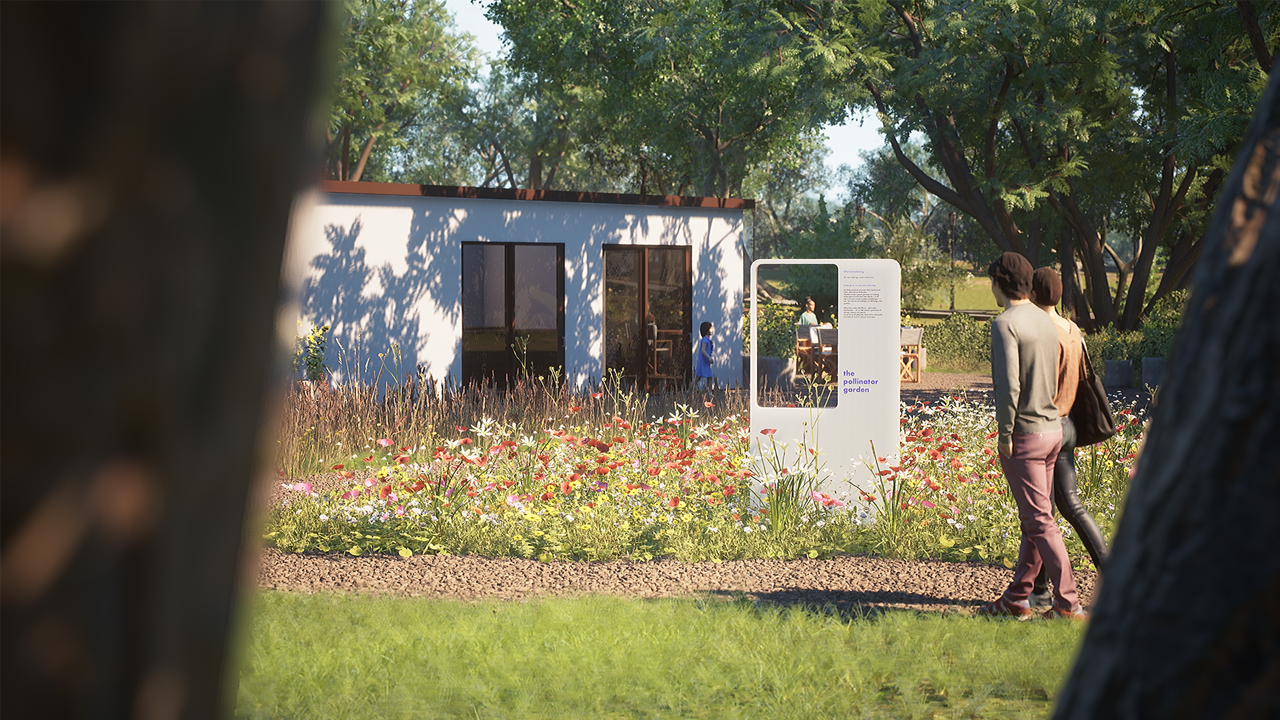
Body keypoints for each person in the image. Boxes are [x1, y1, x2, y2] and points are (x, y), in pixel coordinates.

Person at [976, 252, 1086, 620]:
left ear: (999, 282)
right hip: (1054, 429)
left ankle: (1068, 603)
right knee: (1036, 519)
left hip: (1024, 434)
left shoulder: (1005, 323)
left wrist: (1004, 433)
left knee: (1039, 521)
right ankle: (1017, 599)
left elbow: (1009, 386)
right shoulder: (1045, 320)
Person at [1027, 267, 1109, 608]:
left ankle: (1044, 592)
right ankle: (1041, 590)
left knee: (1049, 510)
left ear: (1033, 294)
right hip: (1069, 425)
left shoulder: (1041, 332)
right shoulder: (1073, 329)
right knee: (1062, 507)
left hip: (1046, 427)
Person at [694, 321, 714, 389]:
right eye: (711, 328)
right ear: (707, 329)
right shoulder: (705, 339)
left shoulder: (706, 339)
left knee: (706, 377)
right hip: (703, 362)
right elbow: (703, 350)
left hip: (705, 361)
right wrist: (709, 357)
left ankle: (710, 393)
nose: (712, 330)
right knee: (699, 377)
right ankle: (689, 391)